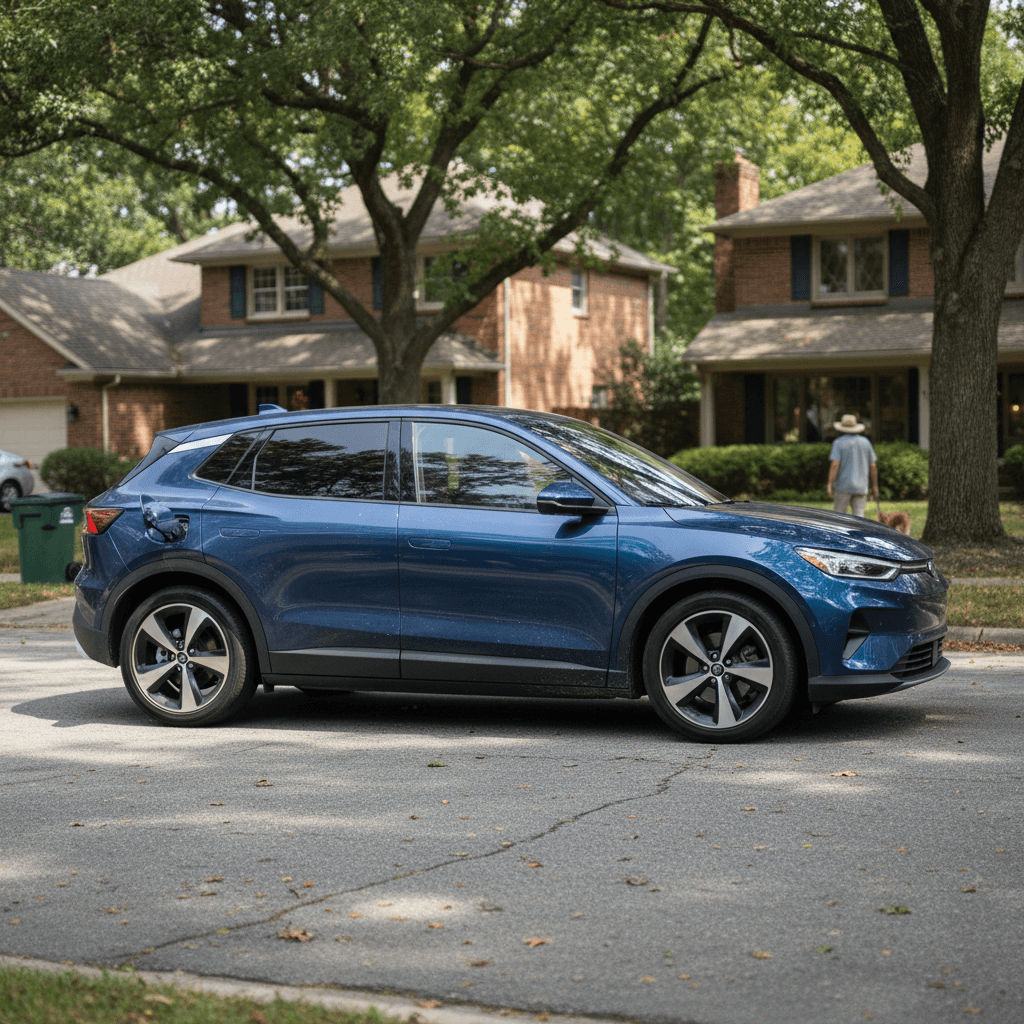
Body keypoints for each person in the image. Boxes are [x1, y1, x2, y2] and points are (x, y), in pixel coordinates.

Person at [827, 414, 878, 516]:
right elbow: (873, 466)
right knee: (859, 519)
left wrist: (829, 483)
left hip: (843, 487)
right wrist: (875, 486)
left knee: (839, 518)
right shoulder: (866, 442)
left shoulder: (838, 443)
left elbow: (835, 465)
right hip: (861, 487)